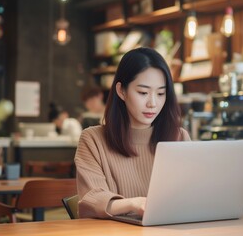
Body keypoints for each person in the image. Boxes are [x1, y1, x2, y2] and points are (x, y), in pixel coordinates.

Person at [74, 47, 190, 219]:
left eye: (160, 93)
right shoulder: (93, 140)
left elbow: (193, 195)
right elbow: (92, 199)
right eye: (143, 92)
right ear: (121, 91)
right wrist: (133, 204)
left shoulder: (179, 137)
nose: (153, 103)